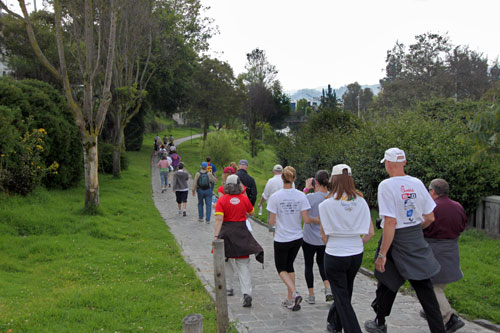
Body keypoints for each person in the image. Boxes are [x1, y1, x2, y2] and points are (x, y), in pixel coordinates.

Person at [364, 148, 446, 333]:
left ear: (387, 164)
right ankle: (438, 329)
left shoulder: (386, 186)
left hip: (395, 239)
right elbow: (430, 217)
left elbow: (391, 222)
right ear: (404, 163)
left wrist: (383, 254)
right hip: (415, 238)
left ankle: (380, 321)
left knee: (386, 280)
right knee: (425, 288)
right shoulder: (417, 183)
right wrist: (415, 230)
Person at [319, 164, 374, 333]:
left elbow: (324, 235)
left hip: (335, 252)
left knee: (342, 296)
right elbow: (370, 232)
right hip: (355, 253)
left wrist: (334, 245)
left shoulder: (326, 205)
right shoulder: (361, 202)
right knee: (346, 290)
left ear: (332, 180)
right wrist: (357, 243)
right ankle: (335, 324)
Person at [267, 166, 318, 311]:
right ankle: (290, 299)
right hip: (297, 237)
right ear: (295, 178)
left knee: (281, 268)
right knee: (290, 266)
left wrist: (275, 225)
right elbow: (306, 218)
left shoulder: (275, 197)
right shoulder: (301, 196)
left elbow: (271, 222)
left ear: (282, 178)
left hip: (282, 238)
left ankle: (294, 293)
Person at [421, 178, 467, 332]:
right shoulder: (458, 206)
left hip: (435, 247)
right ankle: (433, 310)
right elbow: (462, 226)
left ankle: (449, 317)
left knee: (432, 285)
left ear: (433, 191)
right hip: (452, 247)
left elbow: (425, 225)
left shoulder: (432, 207)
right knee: (440, 284)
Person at [214, 174, 264, 307]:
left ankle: (229, 286)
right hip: (241, 235)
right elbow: (252, 213)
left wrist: (215, 237)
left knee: (227, 261)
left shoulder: (222, 200)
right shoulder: (243, 199)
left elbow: (219, 220)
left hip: (227, 235)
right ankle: (247, 293)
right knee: (244, 266)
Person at [300, 170, 333, 305]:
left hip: (308, 237)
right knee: (322, 263)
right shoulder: (331, 197)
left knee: (308, 264)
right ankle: (327, 288)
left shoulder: (310, 197)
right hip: (323, 238)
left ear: (316, 183)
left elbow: (300, 203)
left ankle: (311, 294)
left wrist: (307, 188)